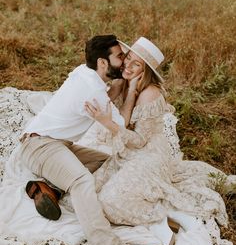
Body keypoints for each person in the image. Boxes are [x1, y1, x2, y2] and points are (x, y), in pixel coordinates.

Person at [20, 34, 165, 245]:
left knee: (105, 163)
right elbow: (121, 124)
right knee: (82, 182)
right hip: (40, 147)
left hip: (54, 144)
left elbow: (105, 99)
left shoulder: (85, 72)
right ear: (103, 63)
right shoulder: (94, 91)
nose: (124, 62)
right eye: (121, 57)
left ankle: (49, 189)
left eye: (127, 57)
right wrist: (130, 90)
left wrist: (120, 84)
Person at [85, 37, 232, 229]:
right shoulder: (123, 81)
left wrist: (109, 124)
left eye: (136, 64)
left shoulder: (150, 94)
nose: (127, 65)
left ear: (145, 71)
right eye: (127, 58)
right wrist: (125, 90)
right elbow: (113, 110)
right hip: (126, 147)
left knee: (110, 201)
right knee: (89, 188)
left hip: (150, 153)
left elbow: (139, 141)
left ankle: (169, 219)